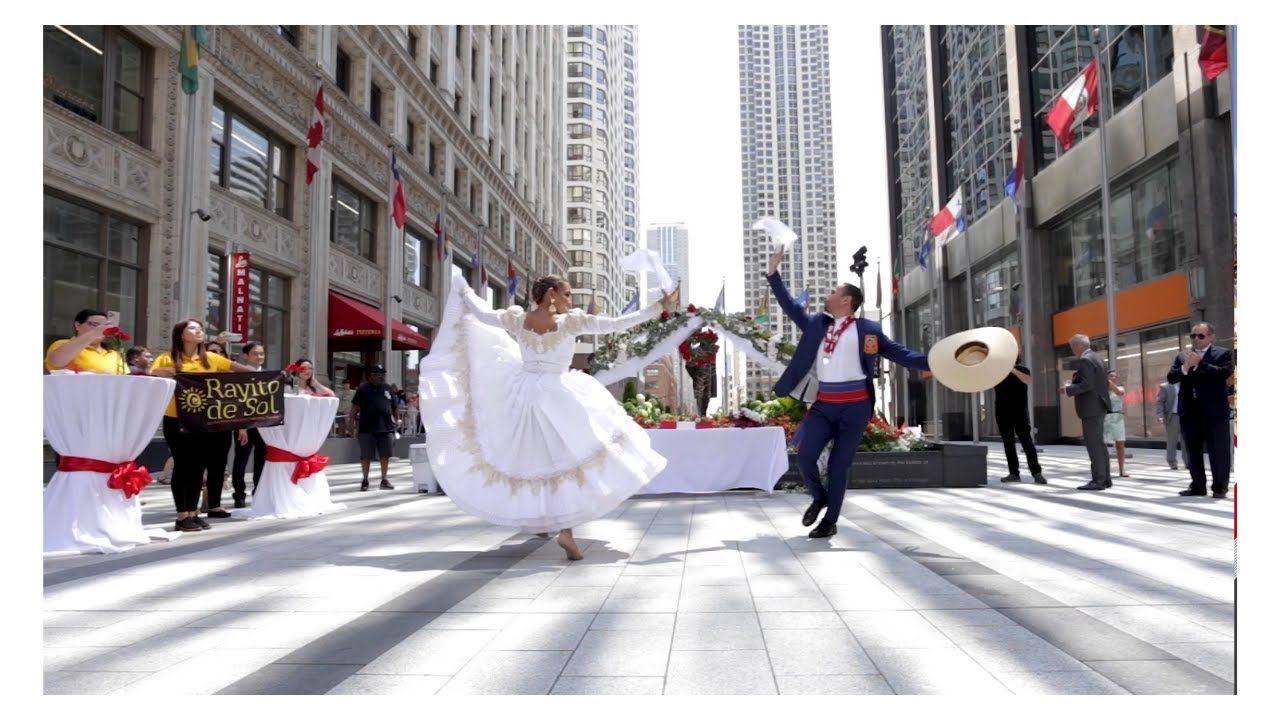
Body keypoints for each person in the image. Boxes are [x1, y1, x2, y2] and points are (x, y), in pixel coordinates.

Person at [418, 266, 676, 560]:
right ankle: (565, 531)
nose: (570, 300)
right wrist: (658, 307)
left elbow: (482, 314)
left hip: (523, 396)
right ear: (551, 294)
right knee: (563, 461)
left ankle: (544, 521)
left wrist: (464, 291)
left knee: (534, 460)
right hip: (559, 396)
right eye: (567, 294)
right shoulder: (570, 323)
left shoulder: (517, 320)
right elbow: (617, 323)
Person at [766, 247, 930, 539]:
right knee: (805, 455)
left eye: (833, 291)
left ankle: (829, 522)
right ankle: (819, 497)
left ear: (846, 300)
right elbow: (790, 306)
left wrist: (933, 362)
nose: (827, 295)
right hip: (824, 404)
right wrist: (773, 273)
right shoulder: (818, 324)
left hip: (856, 407)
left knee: (838, 465)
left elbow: (898, 352)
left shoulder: (868, 329)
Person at [149, 320, 257, 531]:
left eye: (200, 328)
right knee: (183, 465)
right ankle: (182, 515)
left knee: (198, 467)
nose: (198, 330)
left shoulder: (211, 358)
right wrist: (164, 372)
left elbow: (245, 370)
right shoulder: (166, 358)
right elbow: (152, 375)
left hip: (203, 419)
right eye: (192, 328)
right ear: (181, 334)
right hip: (176, 419)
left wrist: (265, 377)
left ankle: (193, 512)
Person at [1168, 322, 1234, 498]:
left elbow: (1224, 373)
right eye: (1193, 336)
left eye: (1201, 336)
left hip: (1215, 411)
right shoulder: (1183, 356)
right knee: (1192, 450)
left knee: (1218, 450)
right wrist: (1185, 367)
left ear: (1211, 337)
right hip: (1190, 411)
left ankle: (1220, 487)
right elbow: (1171, 377)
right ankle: (1198, 485)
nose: (1196, 339)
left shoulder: (1223, 353)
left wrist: (1201, 364)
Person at [1061, 334, 1113, 491]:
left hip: (1091, 408)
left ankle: (1098, 480)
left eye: (1072, 347)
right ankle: (1105, 479)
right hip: (1099, 406)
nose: (1073, 351)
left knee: (1094, 445)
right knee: (1099, 444)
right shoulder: (1098, 358)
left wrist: (1067, 389)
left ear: (1078, 346)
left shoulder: (1085, 360)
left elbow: (1087, 384)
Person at [348, 365, 400, 491]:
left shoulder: (388, 388)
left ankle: (384, 480)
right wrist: (351, 423)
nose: (380, 376)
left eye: (382, 374)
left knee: (385, 455)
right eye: (377, 374)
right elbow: (354, 408)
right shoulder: (363, 389)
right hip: (366, 428)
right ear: (371, 375)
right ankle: (365, 480)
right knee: (366, 455)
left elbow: (394, 406)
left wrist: (397, 419)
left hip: (386, 427)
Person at [994, 358, 1046, 484]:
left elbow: (1028, 380)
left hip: (1020, 412)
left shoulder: (1023, 370)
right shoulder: (997, 372)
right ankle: (1014, 473)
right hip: (1002, 412)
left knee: (1027, 442)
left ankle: (1036, 473)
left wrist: (1012, 370)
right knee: (1008, 443)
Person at [231, 341, 268, 508]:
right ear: (246, 356)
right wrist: (241, 426)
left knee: (262, 461)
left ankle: (258, 493)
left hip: (263, 426)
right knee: (241, 461)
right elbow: (237, 402)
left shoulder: (268, 376)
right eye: (255, 354)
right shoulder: (239, 375)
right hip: (244, 426)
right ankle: (239, 495)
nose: (259, 357)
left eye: (261, 353)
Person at [45, 309, 125, 374]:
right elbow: (57, 361)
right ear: (77, 325)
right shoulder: (63, 344)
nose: (101, 329)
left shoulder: (114, 354)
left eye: (105, 326)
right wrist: (94, 333)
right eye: (94, 324)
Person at [1103, 371, 1129, 477]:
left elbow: (1119, 392)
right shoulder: (1102, 390)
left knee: (1120, 444)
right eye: (1111, 376)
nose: (1113, 377)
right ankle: (1104, 469)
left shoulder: (1120, 388)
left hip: (1118, 417)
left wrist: (1109, 382)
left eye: (1115, 376)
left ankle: (1122, 469)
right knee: (1103, 445)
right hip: (1105, 417)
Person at [1155, 381, 1186, 470]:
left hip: (1186, 416)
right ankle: (1172, 462)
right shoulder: (1165, 387)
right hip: (1173, 416)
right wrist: (1160, 415)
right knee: (1172, 441)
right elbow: (1160, 402)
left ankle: (1188, 462)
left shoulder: (1187, 385)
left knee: (1187, 441)